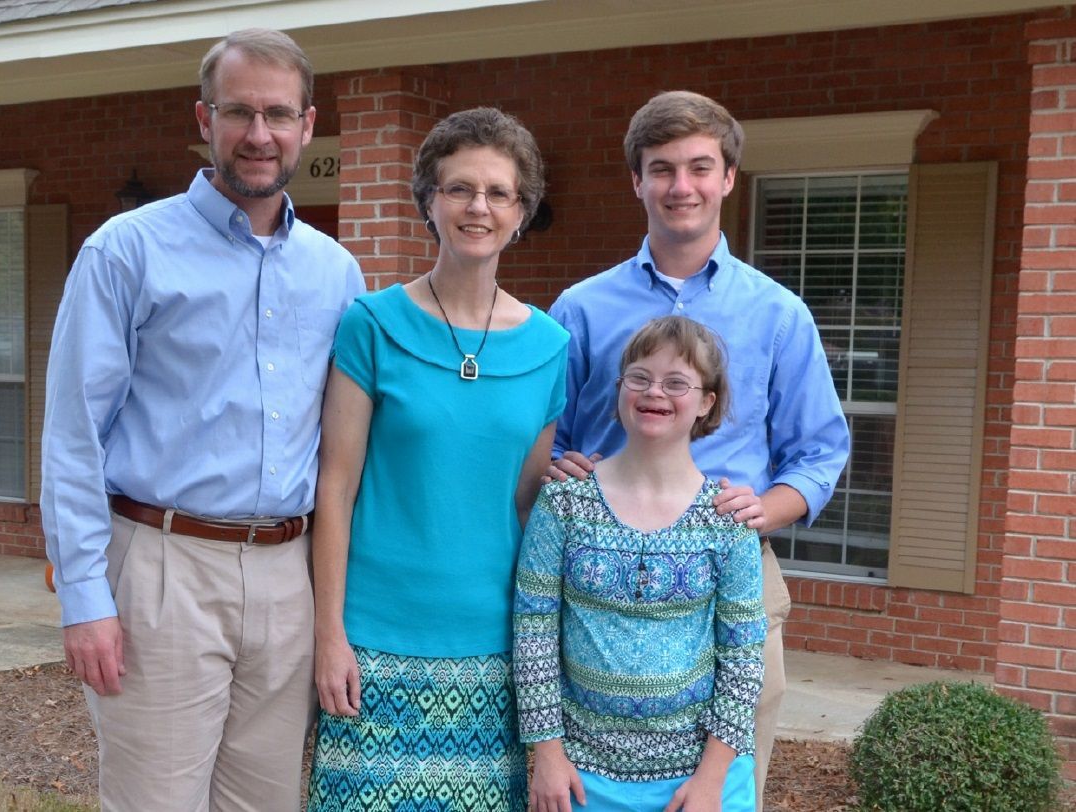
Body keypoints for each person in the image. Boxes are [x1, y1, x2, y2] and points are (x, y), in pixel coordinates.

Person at [40, 28, 365, 811]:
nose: (260, 135)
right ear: (203, 118)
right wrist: (85, 598)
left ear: (308, 126)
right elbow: (72, 434)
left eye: (279, 115)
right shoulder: (127, 251)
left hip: (289, 574)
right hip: (162, 563)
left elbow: (348, 444)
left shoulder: (335, 271)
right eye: (239, 112)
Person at [547, 90, 850, 810]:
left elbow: (819, 451)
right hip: (594, 587)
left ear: (726, 178)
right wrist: (553, 465)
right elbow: (546, 437)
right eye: (660, 169)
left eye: (697, 167)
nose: (679, 187)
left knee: (720, 791)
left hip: (735, 580)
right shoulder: (580, 310)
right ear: (636, 181)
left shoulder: (778, 315)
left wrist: (766, 508)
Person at [306, 107, 569, 811]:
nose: (476, 207)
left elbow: (523, 501)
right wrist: (329, 635)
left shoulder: (549, 347)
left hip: (493, 647)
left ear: (521, 212)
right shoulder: (373, 324)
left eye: (497, 193)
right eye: (458, 189)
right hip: (373, 642)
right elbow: (334, 489)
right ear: (429, 200)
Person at [516, 316, 766, 812]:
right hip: (583, 779)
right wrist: (547, 755)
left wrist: (711, 781)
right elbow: (533, 632)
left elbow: (743, 659)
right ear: (619, 390)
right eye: (640, 377)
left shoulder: (727, 518)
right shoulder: (565, 504)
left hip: (699, 782)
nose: (656, 392)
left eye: (677, 382)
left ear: (706, 403)